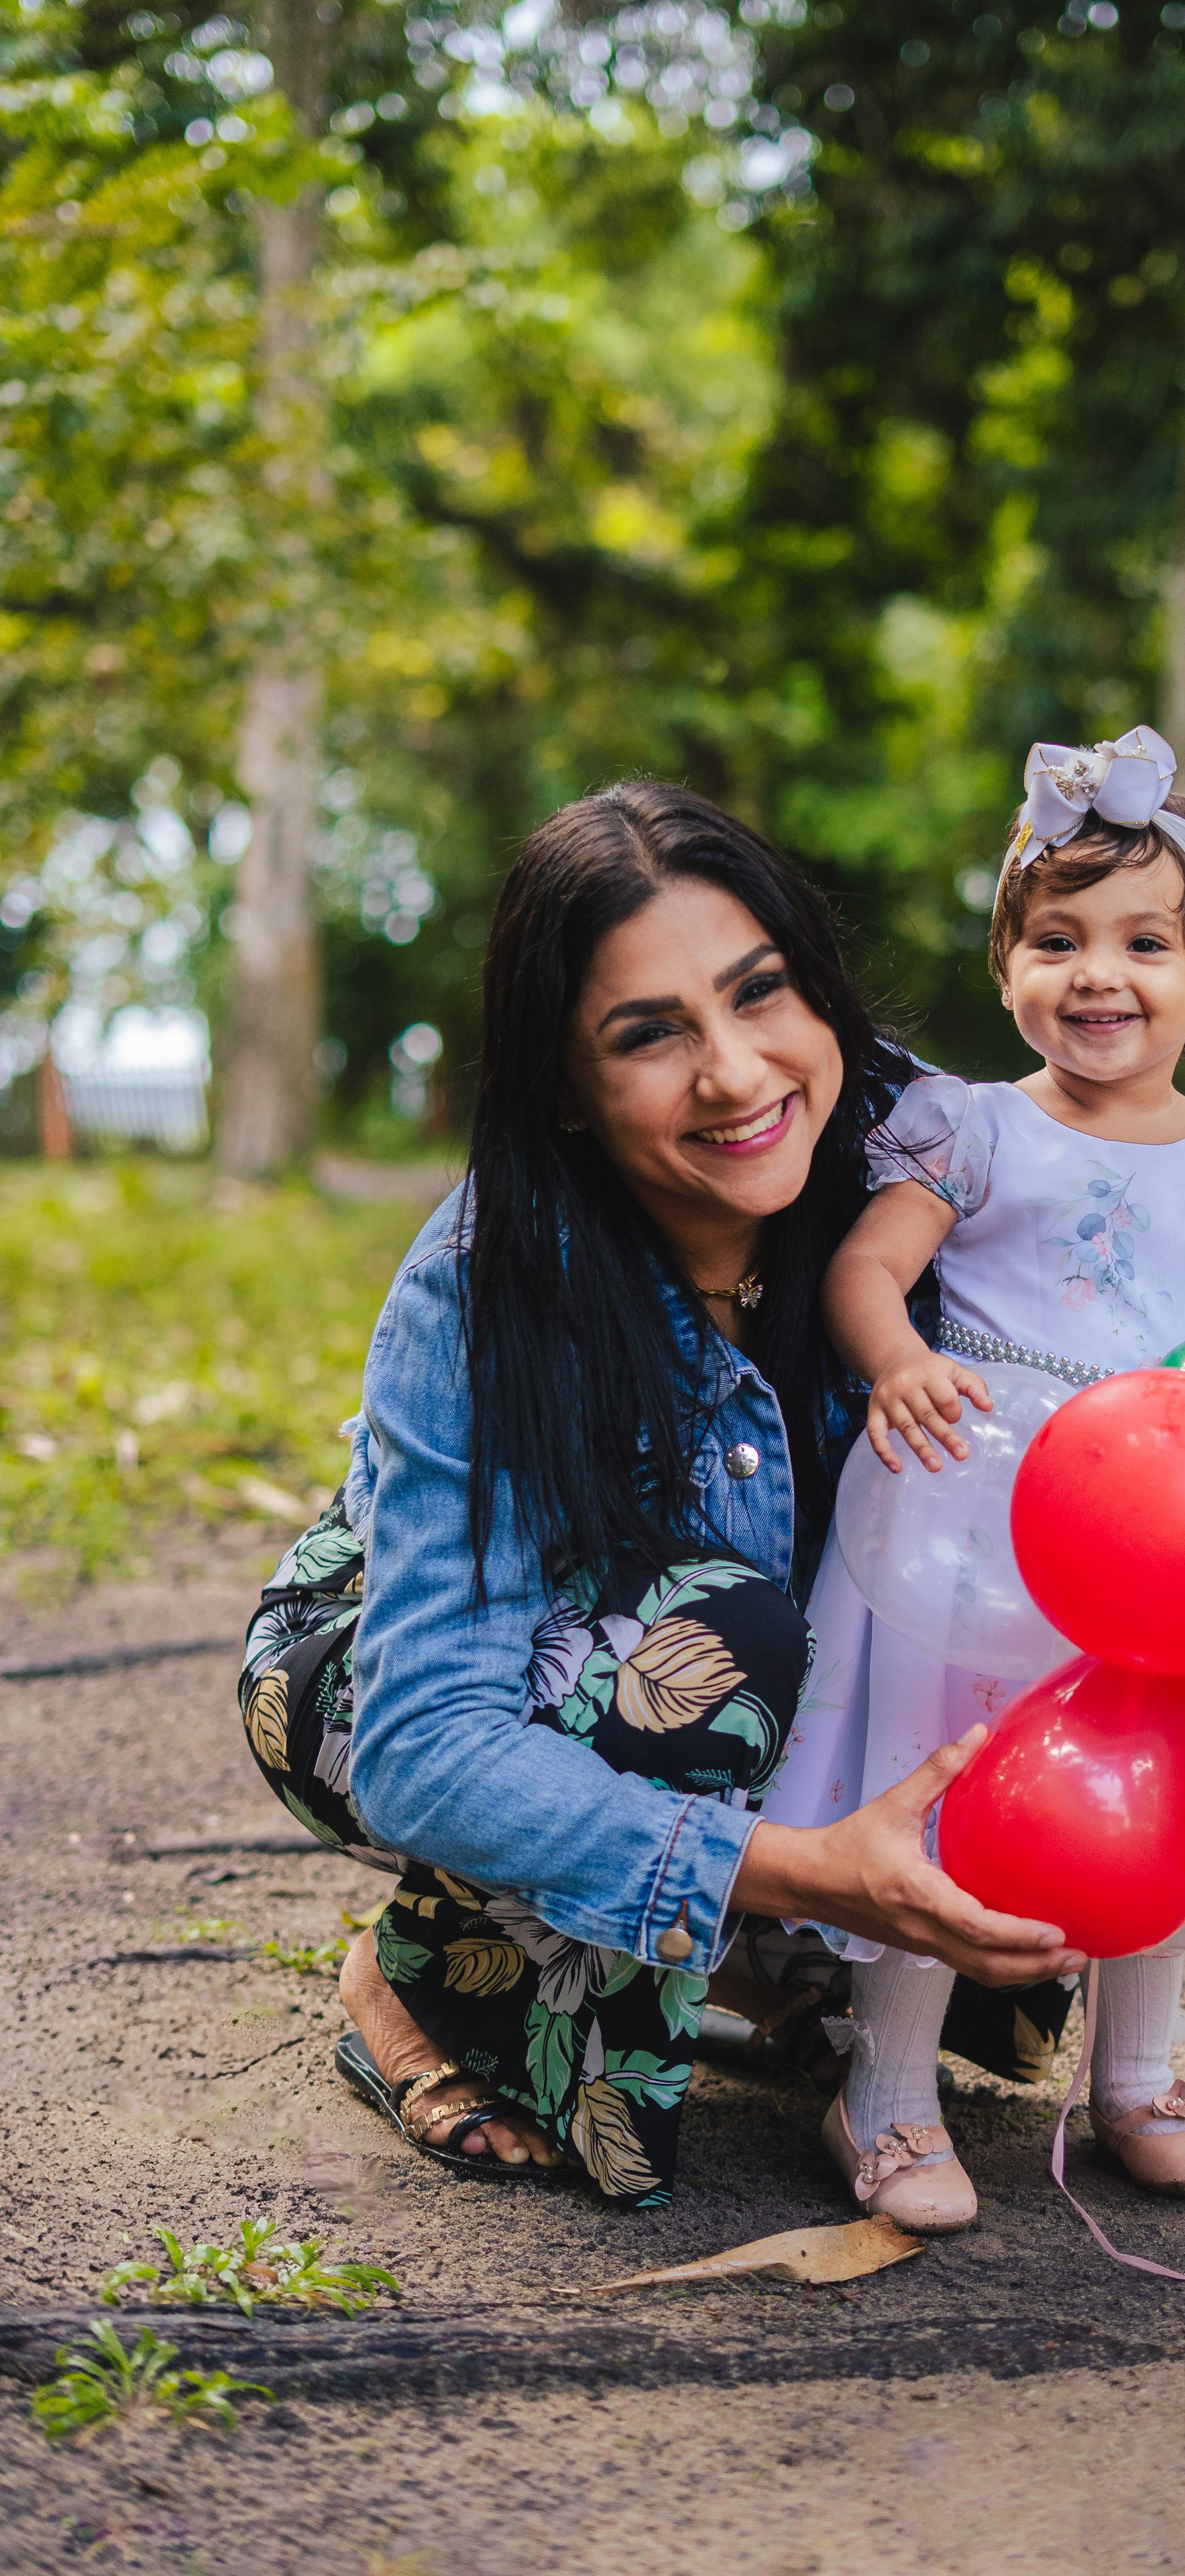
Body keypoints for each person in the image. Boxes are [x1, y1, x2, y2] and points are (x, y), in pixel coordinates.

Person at [237, 784, 1084, 2211]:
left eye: (762, 997)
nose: (739, 1075)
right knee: (715, 1656)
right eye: (649, 1036)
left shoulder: (934, 1165)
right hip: (394, 1668)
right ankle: (421, 1988)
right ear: (564, 1087)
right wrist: (800, 1870)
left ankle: (752, 1939)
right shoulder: (483, 1283)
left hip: (753, 1663)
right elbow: (429, 1741)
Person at [765, 724, 1185, 2225]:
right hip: (973, 1521)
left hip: (1176, 1535)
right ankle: (891, 2086)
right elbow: (869, 1268)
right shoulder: (973, 1132)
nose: (1094, 974)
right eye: (1053, 939)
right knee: (950, 1789)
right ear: (1005, 972)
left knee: (1158, 1780)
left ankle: (1137, 2073)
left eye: (1142, 944)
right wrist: (894, 1361)